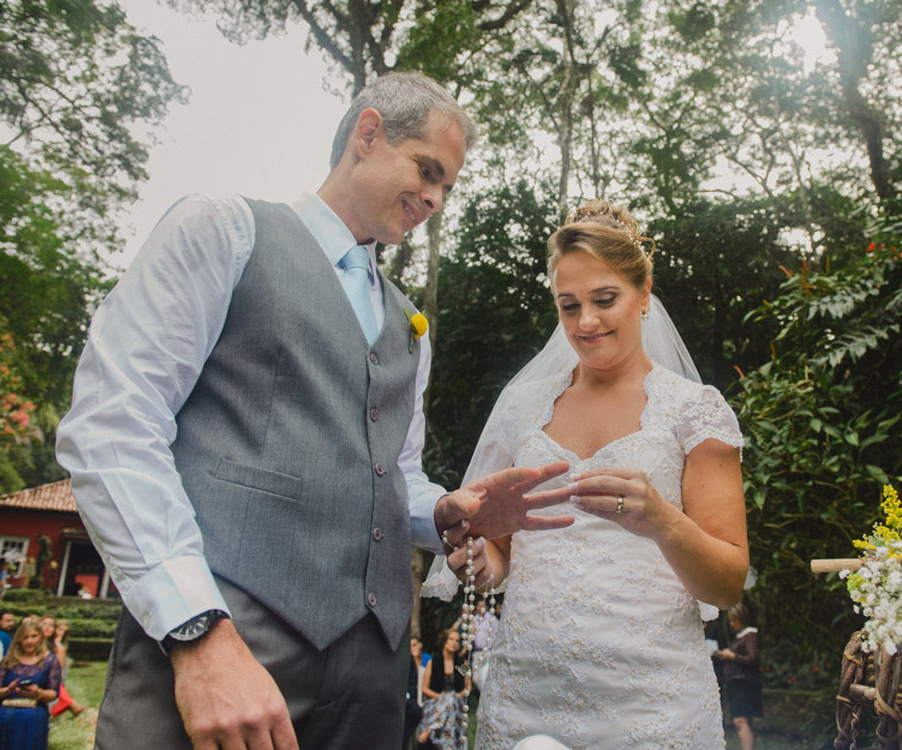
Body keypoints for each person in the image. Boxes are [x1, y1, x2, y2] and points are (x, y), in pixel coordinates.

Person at [54, 70, 571, 750]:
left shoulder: (408, 326)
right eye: (428, 171)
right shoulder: (224, 231)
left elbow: (394, 474)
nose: (435, 199)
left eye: (447, 187)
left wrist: (448, 511)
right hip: (229, 650)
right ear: (368, 134)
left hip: (371, 681)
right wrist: (197, 633)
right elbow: (113, 427)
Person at [425, 199, 749, 748]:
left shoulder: (696, 412)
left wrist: (663, 521)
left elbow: (727, 584)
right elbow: (497, 550)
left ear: (644, 293)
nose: (586, 323)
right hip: (526, 696)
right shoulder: (522, 407)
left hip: (653, 705)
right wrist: (479, 562)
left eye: (604, 299)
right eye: (568, 305)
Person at [0, 617, 61, 750]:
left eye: (33, 636)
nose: (29, 641)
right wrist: (7, 690)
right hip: (4, 713)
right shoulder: (9, 660)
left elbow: (54, 693)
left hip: (33, 714)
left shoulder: (50, 661)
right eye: (25, 637)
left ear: (40, 638)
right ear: (19, 640)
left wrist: (38, 693)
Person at [715, 602, 762, 750]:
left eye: (734, 620)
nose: (731, 624)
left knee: (740, 720)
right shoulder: (740, 637)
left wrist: (732, 656)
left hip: (744, 683)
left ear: (742, 618)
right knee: (744, 720)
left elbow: (753, 658)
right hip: (736, 684)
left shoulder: (750, 635)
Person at [415, 629, 469, 750]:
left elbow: (468, 687)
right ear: (444, 641)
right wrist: (442, 697)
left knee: (451, 702)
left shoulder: (462, 664)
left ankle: (429, 730)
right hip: (436, 701)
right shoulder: (433, 662)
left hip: (456, 701)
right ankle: (448, 746)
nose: (454, 643)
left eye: (457, 641)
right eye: (451, 639)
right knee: (449, 704)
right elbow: (424, 688)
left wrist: (456, 696)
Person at [40, 618, 85, 717]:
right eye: (60, 629)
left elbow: (59, 668)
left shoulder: (58, 646)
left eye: (64, 631)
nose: (61, 633)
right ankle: (72, 705)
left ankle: (71, 705)